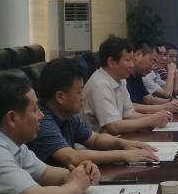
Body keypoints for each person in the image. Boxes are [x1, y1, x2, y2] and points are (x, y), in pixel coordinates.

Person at [27, 57, 159, 167]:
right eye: (79, 91)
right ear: (60, 97)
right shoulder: (41, 121)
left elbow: (95, 139)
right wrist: (124, 155)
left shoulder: (68, 115)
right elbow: (72, 157)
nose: (83, 96)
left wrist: (123, 144)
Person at [83, 35, 173, 134]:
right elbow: (114, 126)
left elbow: (129, 114)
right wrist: (151, 120)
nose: (132, 65)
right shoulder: (99, 84)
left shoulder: (121, 80)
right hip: (101, 141)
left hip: (116, 138)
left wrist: (156, 117)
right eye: (128, 60)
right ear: (111, 62)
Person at [126, 42, 178, 109]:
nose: (152, 66)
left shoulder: (138, 76)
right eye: (151, 61)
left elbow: (149, 99)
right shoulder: (126, 77)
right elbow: (128, 107)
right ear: (137, 55)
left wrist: (173, 102)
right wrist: (163, 107)